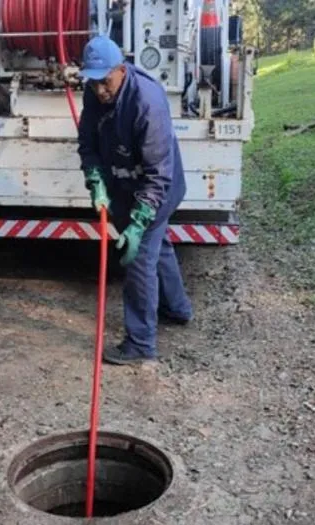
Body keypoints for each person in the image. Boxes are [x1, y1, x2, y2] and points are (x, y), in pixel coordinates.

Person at [75, 35, 193, 366]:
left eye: (106, 81)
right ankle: (177, 308)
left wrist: (138, 222)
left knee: (139, 257)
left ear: (122, 70)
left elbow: (158, 175)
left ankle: (141, 343)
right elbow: (88, 144)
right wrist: (95, 180)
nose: (100, 90)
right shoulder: (94, 92)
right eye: (93, 82)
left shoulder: (147, 103)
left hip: (158, 189)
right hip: (125, 184)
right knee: (159, 248)